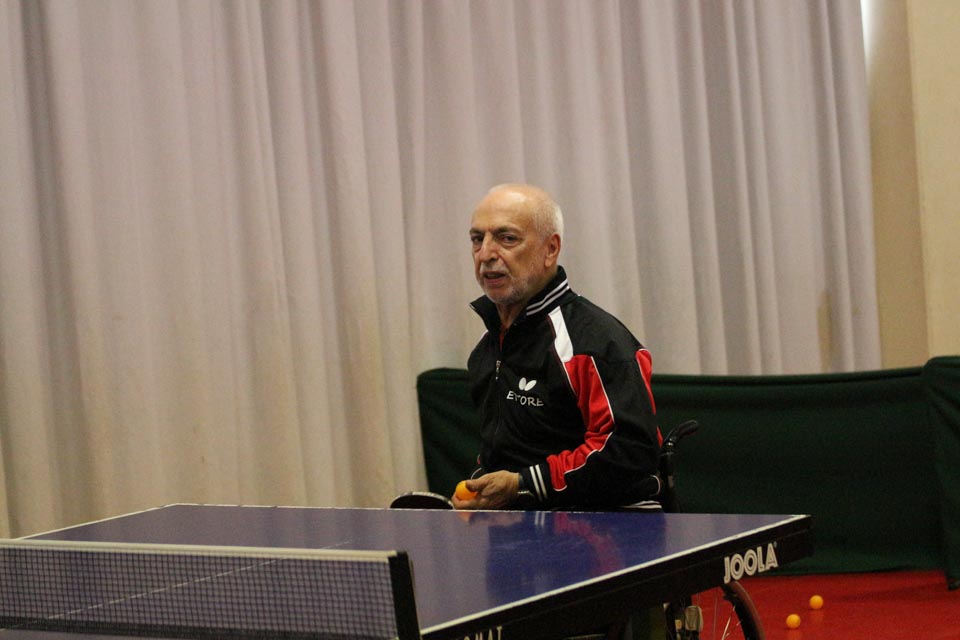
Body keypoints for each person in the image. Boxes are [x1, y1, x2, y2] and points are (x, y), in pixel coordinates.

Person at [452, 183, 661, 511]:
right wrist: (485, 485)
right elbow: (506, 454)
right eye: (478, 239)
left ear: (550, 250)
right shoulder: (486, 347)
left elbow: (629, 452)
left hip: (611, 527)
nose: (486, 254)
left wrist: (522, 484)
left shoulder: (594, 342)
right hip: (520, 527)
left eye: (507, 238)